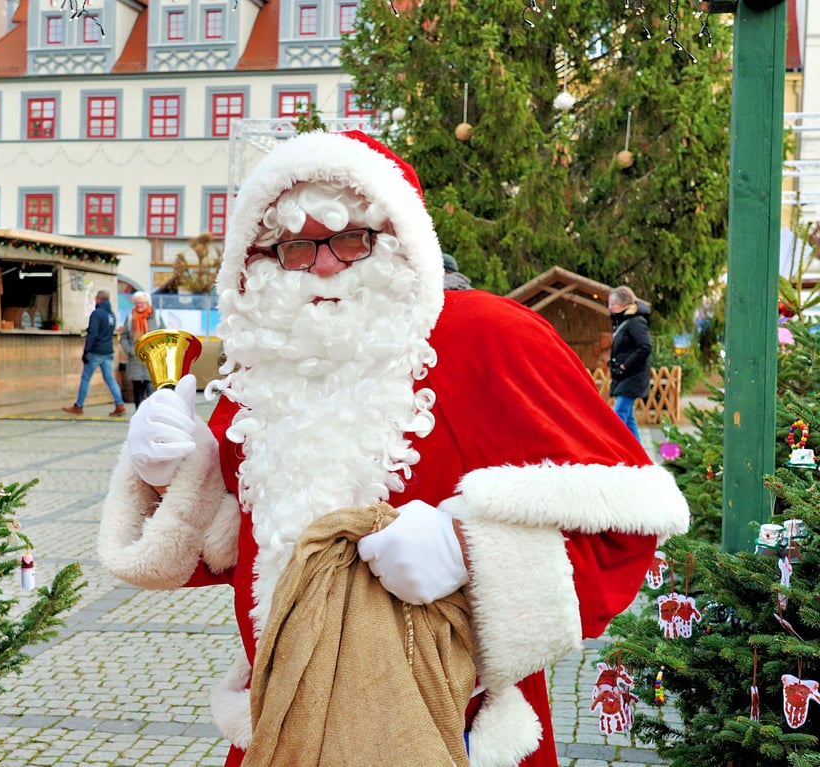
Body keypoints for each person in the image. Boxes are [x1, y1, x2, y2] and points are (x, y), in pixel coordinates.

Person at [99, 131, 688, 767]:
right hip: (287, 723)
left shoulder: (490, 337)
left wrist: (471, 551)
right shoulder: (260, 369)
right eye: (297, 245)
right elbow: (224, 553)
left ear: (402, 238)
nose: (325, 264)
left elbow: (626, 524)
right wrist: (169, 474)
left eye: (353, 238)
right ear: (263, 255)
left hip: (457, 733)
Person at [62, 289, 126, 417]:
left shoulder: (97, 314)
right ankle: (119, 404)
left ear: (98, 299)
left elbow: (93, 333)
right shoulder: (111, 315)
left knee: (85, 378)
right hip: (108, 351)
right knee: (110, 379)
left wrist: (86, 351)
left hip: (96, 351)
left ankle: (78, 406)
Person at [607, 286, 652, 441]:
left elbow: (645, 347)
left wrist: (625, 365)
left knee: (618, 416)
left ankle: (612, 448)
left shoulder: (636, 322)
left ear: (624, 304)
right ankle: (639, 455)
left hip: (632, 376)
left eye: (613, 304)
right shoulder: (624, 322)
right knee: (629, 419)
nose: (610, 307)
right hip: (625, 376)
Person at [119, 291, 162, 410]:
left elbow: (163, 336)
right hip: (135, 360)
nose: (139, 305)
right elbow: (124, 337)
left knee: (151, 389)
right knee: (137, 390)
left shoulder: (156, 317)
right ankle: (139, 415)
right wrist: (130, 350)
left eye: (141, 302)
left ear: (147, 303)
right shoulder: (130, 317)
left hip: (152, 360)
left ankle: (152, 414)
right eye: (136, 303)